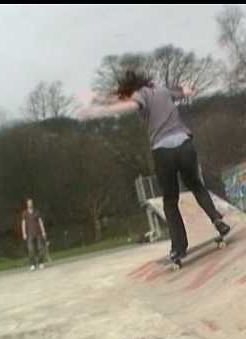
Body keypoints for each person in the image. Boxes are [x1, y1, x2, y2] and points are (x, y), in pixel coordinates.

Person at [81, 71, 230, 261]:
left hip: (163, 151)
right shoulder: (163, 90)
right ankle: (216, 219)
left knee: (170, 200)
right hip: (185, 145)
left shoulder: (139, 95)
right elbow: (184, 91)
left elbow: (129, 105)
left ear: (131, 91)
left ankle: (178, 248)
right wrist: (188, 89)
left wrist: (99, 112)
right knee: (196, 185)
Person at [21, 198, 47, 271]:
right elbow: (23, 224)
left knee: (40, 248)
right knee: (31, 250)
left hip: (38, 233)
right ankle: (32, 264)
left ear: (32, 203)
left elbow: (40, 222)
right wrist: (24, 233)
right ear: (27, 204)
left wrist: (43, 231)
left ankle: (40, 263)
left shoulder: (36, 212)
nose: (30, 204)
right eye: (29, 203)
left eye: (31, 203)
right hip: (29, 234)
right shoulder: (24, 213)